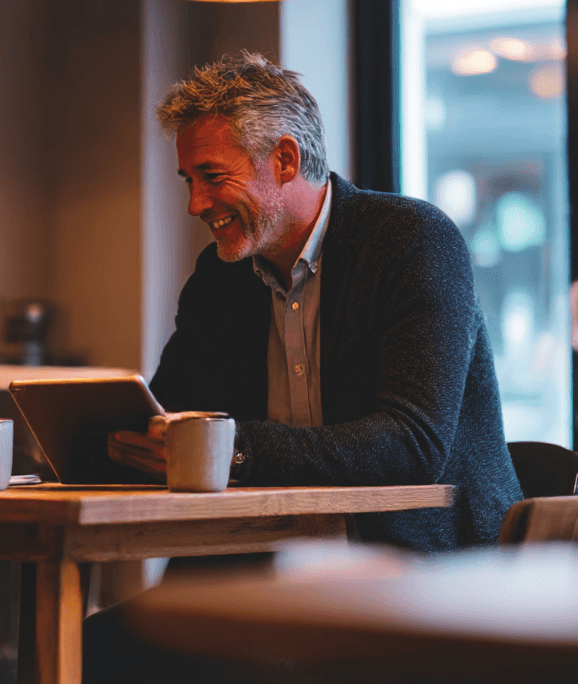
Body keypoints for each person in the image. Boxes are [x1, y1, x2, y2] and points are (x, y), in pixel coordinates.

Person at [84, 53, 522, 683]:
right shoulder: (221, 277)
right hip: (255, 570)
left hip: (420, 570)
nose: (194, 204)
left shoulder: (411, 241)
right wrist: (118, 440)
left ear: (285, 161)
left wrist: (233, 453)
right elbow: (171, 416)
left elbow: (412, 443)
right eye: (188, 181)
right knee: (94, 651)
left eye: (210, 176)